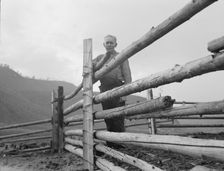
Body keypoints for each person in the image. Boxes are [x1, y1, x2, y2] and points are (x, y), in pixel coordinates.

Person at [93, 35, 132, 148]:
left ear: (116, 44)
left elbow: (128, 77)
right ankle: (111, 144)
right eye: (107, 43)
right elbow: (89, 66)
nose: (109, 44)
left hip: (118, 88)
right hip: (104, 89)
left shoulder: (122, 57)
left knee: (118, 117)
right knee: (108, 116)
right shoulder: (99, 58)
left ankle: (119, 144)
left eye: (111, 42)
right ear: (103, 44)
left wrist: (124, 94)